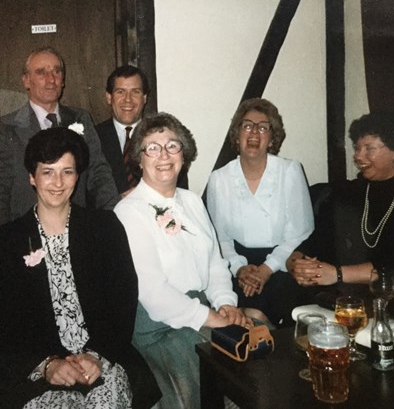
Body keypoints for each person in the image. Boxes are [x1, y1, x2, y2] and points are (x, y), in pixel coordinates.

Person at [0, 127, 161, 408]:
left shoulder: (105, 228)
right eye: (48, 171)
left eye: (68, 171)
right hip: (39, 373)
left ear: (78, 175)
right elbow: (7, 324)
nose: (58, 182)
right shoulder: (8, 241)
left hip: (102, 361)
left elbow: (122, 302)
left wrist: (97, 355)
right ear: (31, 177)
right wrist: (46, 365)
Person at [114, 112, 252, 409]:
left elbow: (215, 263)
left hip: (203, 311)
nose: (163, 155)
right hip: (159, 326)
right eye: (152, 147)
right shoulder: (128, 212)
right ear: (139, 159)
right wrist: (215, 320)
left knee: (255, 369)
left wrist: (226, 303)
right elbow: (153, 293)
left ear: (184, 154)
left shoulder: (192, 201)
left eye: (172, 146)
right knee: (202, 389)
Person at [287, 112, 394, 297]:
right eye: (357, 148)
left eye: (369, 148)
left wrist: (338, 274)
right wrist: (296, 264)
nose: (358, 156)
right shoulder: (348, 193)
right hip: (341, 294)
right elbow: (316, 241)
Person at [206, 98, 314, 327]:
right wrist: (239, 269)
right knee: (235, 317)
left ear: (271, 138)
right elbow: (220, 238)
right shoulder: (219, 179)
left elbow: (300, 232)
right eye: (247, 126)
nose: (254, 132)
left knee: (264, 314)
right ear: (237, 135)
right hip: (237, 266)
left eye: (263, 127)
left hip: (282, 264)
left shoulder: (290, 171)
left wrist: (266, 270)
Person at [0, 46, 119, 225]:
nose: (51, 79)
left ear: (63, 79)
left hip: (77, 227)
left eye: (56, 71)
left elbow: (98, 174)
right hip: (24, 232)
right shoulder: (6, 128)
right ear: (26, 81)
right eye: (41, 72)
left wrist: (114, 219)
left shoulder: (81, 119)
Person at [96, 65, 149, 196]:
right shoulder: (93, 137)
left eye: (135, 92)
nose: (128, 99)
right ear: (109, 97)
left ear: (145, 98)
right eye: (120, 92)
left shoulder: (160, 136)